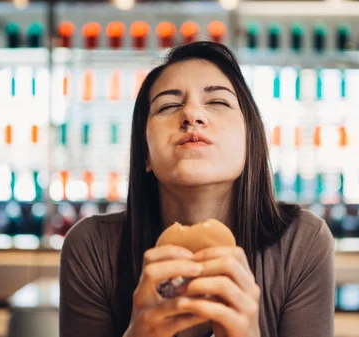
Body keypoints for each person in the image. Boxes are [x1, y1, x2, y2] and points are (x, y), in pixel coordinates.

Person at [59, 41, 334, 337]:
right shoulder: (92, 247)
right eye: (167, 106)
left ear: (250, 139)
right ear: (145, 153)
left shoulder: (302, 242)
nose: (191, 114)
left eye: (217, 102)